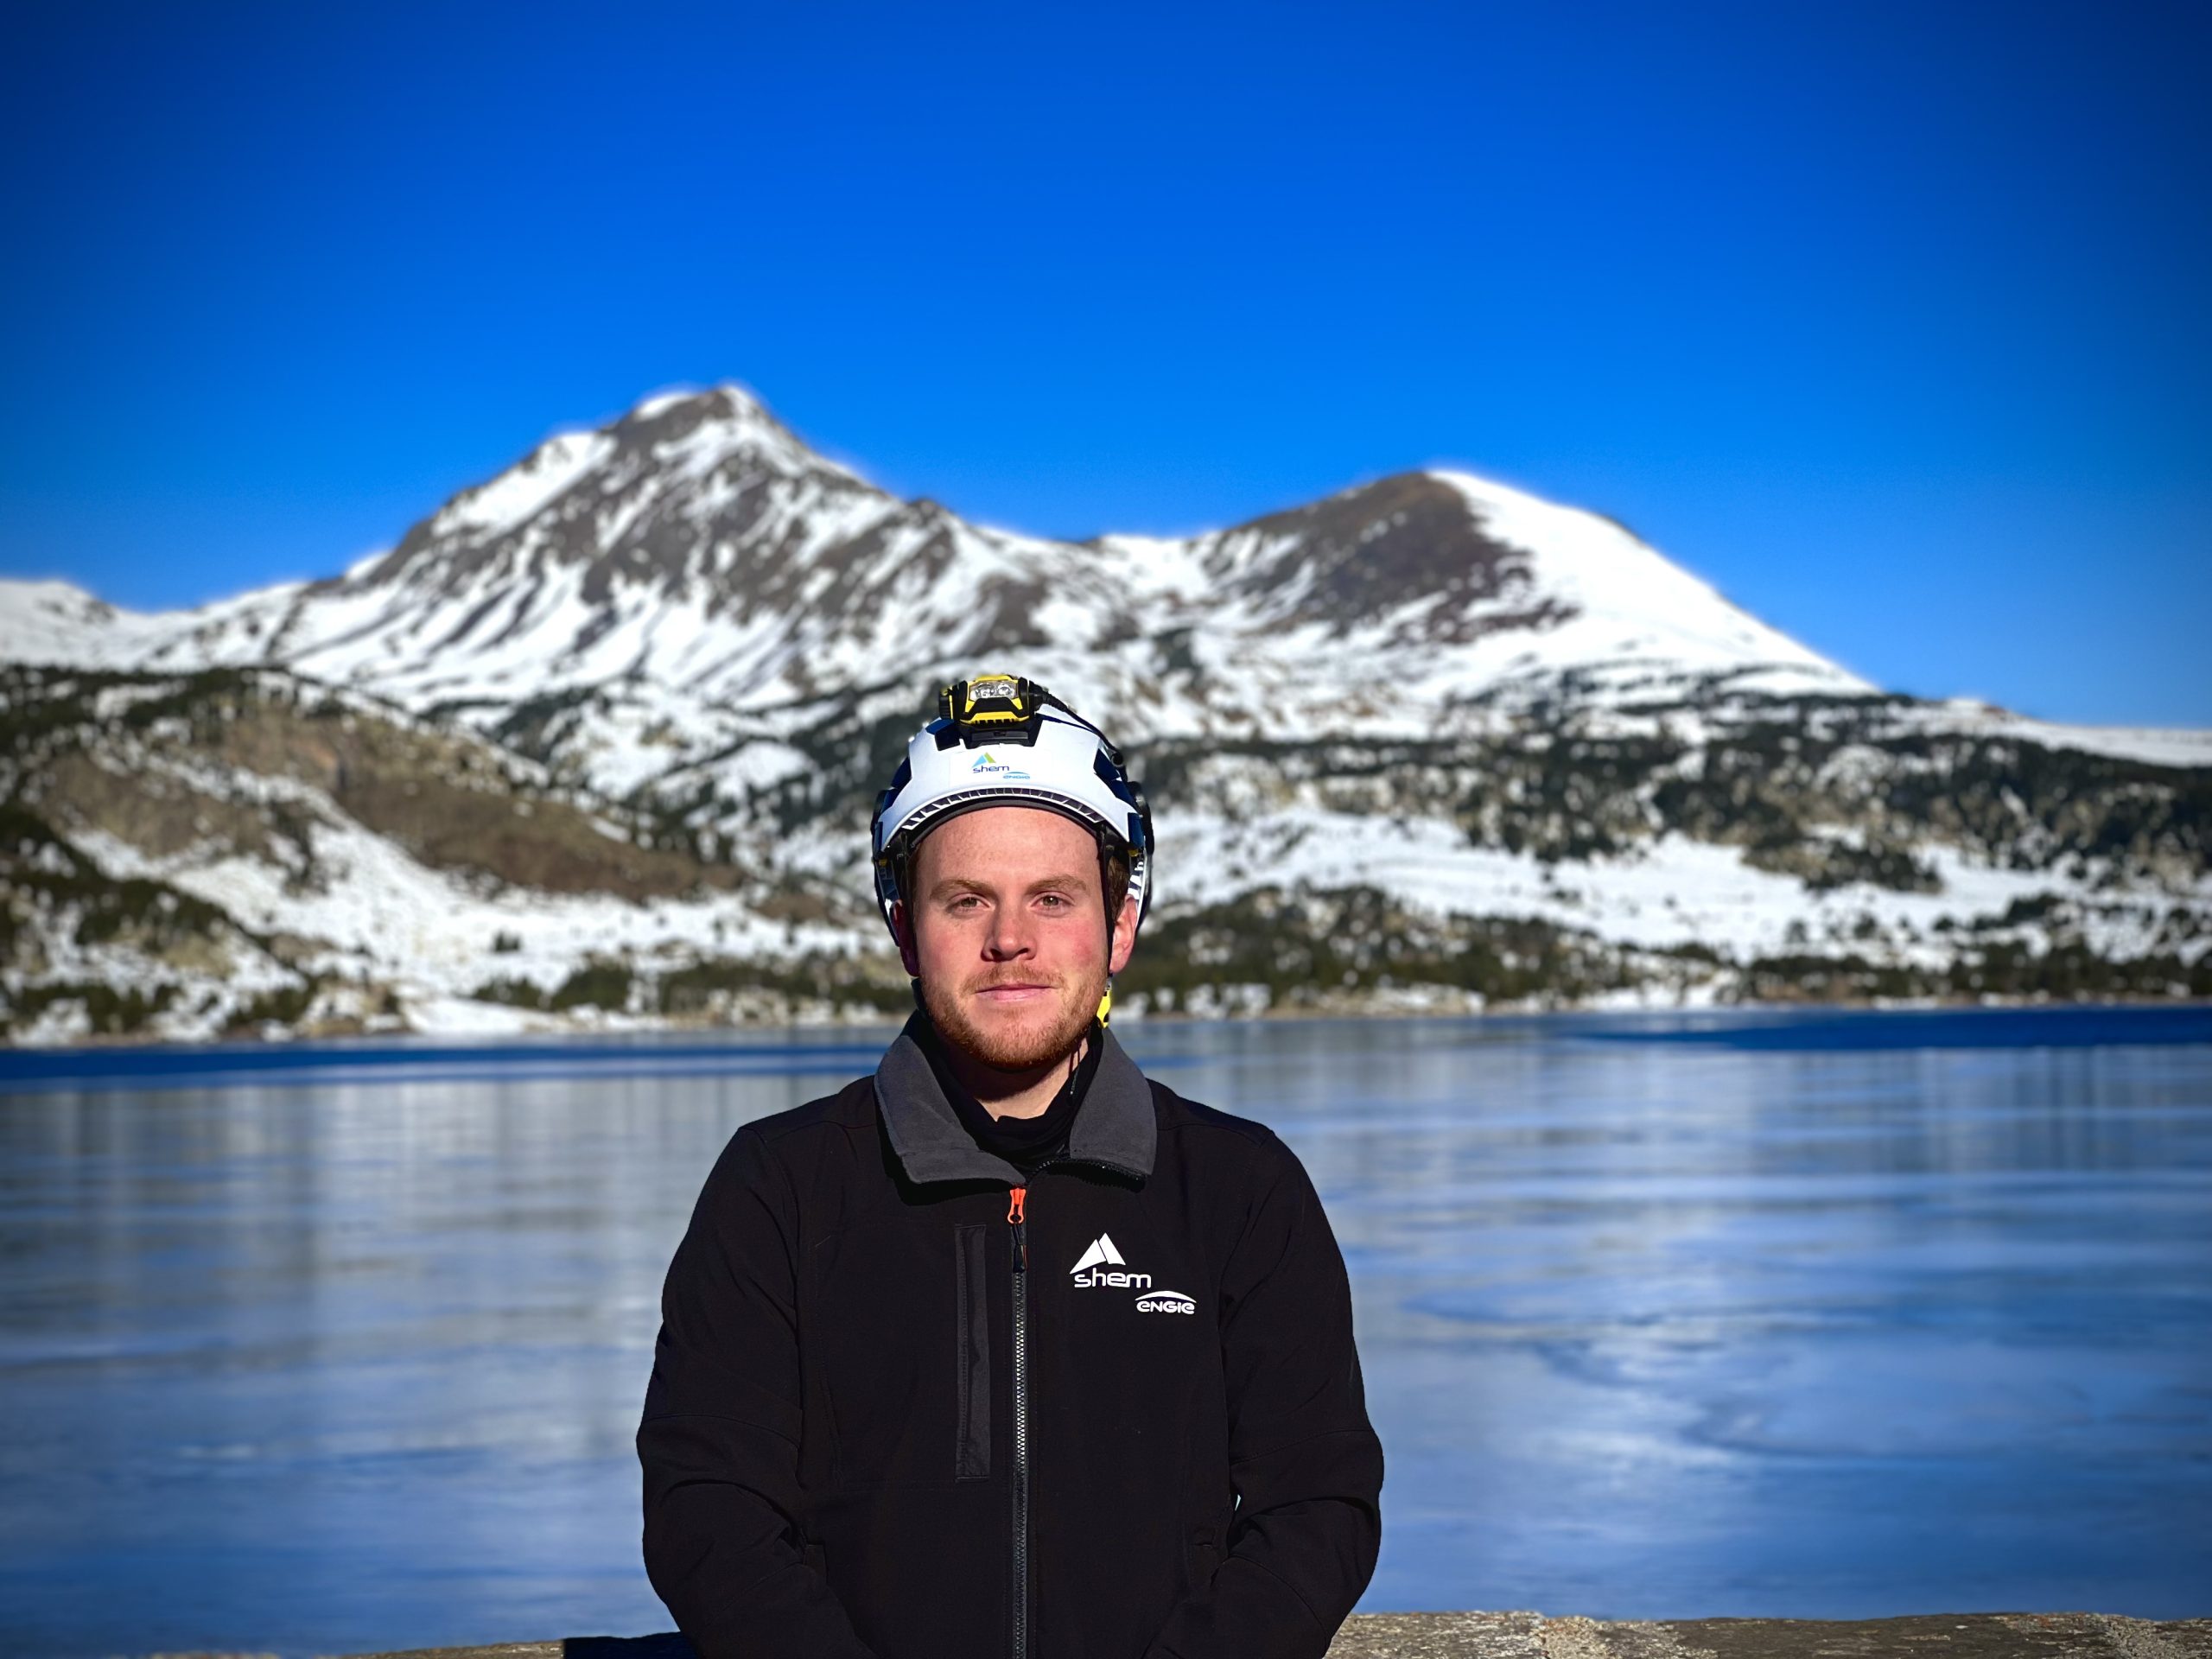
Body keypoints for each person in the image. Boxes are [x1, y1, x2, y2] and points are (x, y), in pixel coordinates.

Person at [637, 673, 1382, 1659]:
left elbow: (1317, 1508)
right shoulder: (778, 1187)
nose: (1010, 941)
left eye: (1053, 898)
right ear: (904, 928)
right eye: (965, 900)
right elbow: (707, 1515)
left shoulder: (1240, 1190)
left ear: (1119, 925)